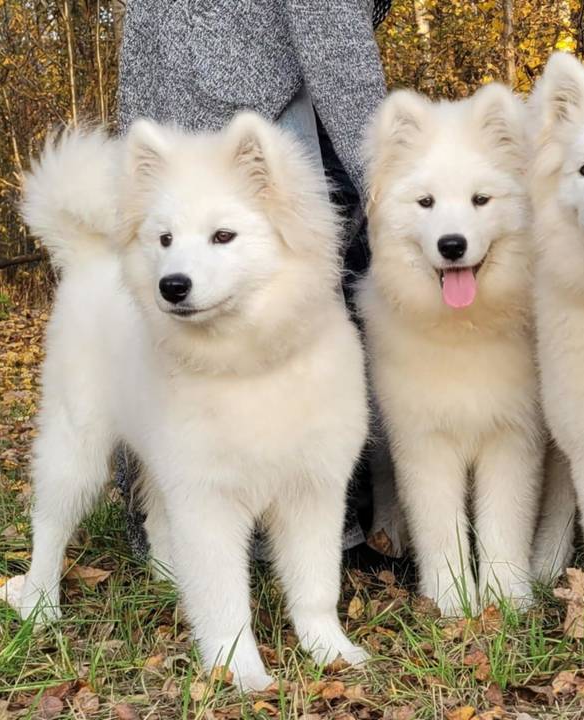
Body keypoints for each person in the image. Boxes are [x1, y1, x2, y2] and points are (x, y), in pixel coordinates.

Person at [114, 0, 392, 559]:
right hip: (262, 98)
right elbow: (332, 33)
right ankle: (312, 527)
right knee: (313, 301)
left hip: (190, 74)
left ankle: (185, 512)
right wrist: (385, 177)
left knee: (211, 330)